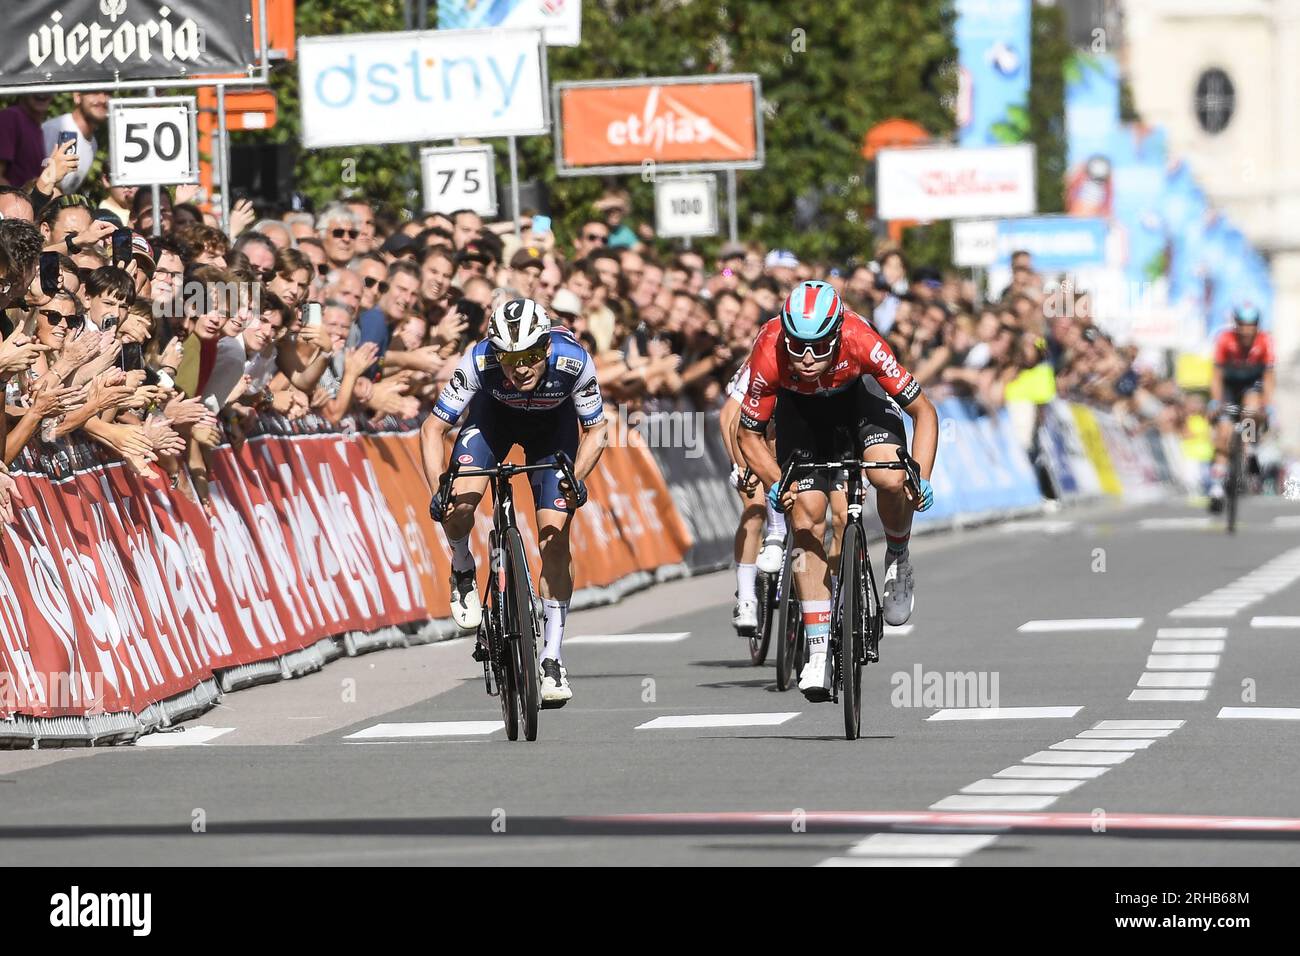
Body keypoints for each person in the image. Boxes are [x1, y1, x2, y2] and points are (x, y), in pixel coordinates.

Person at [736, 280, 938, 701]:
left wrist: (920, 475)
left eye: (817, 348)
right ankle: (817, 649)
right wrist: (777, 484)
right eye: (797, 347)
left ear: (836, 333)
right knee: (807, 516)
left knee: (888, 477)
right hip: (803, 416)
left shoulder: (862, 339)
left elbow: (923, 411)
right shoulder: (770, 347)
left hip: (858, 401)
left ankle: (898, 555)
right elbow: (749, 434)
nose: (807, 359)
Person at [420, 298, 608, 704]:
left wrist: (576, 480)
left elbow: (596, 431)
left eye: (531, 356)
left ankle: (552, 659)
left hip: (552, 433)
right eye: (509, 358)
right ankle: (462, 567)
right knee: (459, 505)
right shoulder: (478, 361)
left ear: (546, 347)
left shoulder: (573, 360)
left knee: (554, 538)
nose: (520, 367)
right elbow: (432, 429)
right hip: (492, 423)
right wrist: (439, 486)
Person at [1207, 305, 1275, 512]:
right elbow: (1216, 376)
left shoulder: (1265, 341)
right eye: (1243, 326)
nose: (1246, 331)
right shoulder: (1225, 339)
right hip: (1229, 386)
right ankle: (1217, 489)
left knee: (1251, 407)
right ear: (1236, 325)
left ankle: (1250, 447)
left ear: (1257, 327)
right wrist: (1215, 402)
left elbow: (1269, 378)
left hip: (1252, 385)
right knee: (1223, 435)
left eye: (1251, 326)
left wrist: (1268, 405)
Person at [41, 92, 108, 195]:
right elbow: (34, 180)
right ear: (77, 96)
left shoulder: (93, 143)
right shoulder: (57, 128)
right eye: (94, 92)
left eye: (108, 93)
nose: (103, 99)